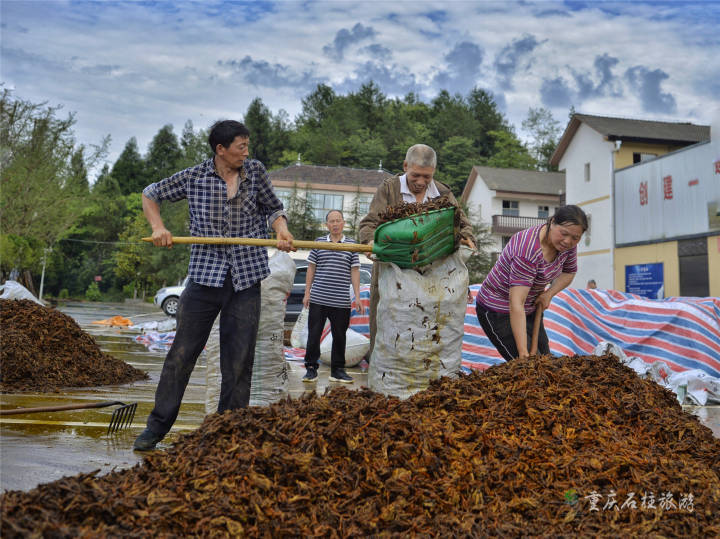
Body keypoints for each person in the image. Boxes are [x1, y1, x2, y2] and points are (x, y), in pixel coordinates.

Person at [133, 120, 294, 451]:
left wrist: (280, 229)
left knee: (238, 361)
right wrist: (158, 226)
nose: (246, 152)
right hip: (204, 278)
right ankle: (157, 426)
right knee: (181, 354)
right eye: (240, 147)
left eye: (247, 146)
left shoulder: (256, 173)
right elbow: (151, 193)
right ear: (220, 150)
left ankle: (228, 432)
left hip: (246, 277)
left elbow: (273, 208)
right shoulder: (195, 177)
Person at [358, 144, 476, 359]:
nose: (421, 182)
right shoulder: (389, 190)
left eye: (427, 177)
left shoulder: (442, 193)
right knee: (388, 328)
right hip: (393, 274)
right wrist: (369, 242)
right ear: (405, 166)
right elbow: (369, 225)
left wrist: (466, 236)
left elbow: (462, 224)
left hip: (432, 278)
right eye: (415, 175)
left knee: (428, 330)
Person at [475, 205, 588, 361]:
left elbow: (569, 272)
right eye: (564, 234)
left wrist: (549, 294)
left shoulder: (566, 246)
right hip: (499, 309)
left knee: (546, 361)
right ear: (552, 222)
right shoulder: (527, 251)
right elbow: (516, 302)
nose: (568, 241)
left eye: (575, 238)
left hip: (529, 307)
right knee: (527, 365)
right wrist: (522, 352)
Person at [302, 210, 364, 384]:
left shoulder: (351, 244)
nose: (335, 224)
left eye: (338, 221)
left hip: (341, 301)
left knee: (340, 336)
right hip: (318, 298)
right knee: (313, 334)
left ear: (344, 223)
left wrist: (357, 297)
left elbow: (355, 271)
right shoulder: (319, 242)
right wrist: (307, 292)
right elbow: (311, 268)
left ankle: (337, 370)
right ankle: (311, 368)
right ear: (327, 224)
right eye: (331, 221)